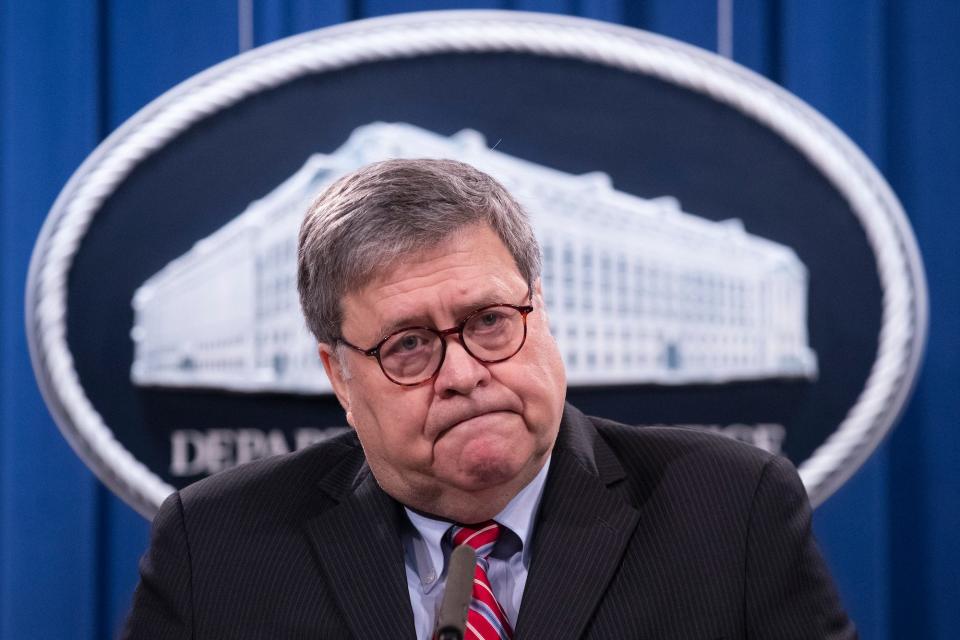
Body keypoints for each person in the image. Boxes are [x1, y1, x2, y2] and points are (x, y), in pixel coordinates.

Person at [123, 159, 856, 639]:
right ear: (340, 375)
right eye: (409, 344)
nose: (465, 372)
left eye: (490, 322)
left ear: (539, 308)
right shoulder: (215, 544)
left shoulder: (730, 508)